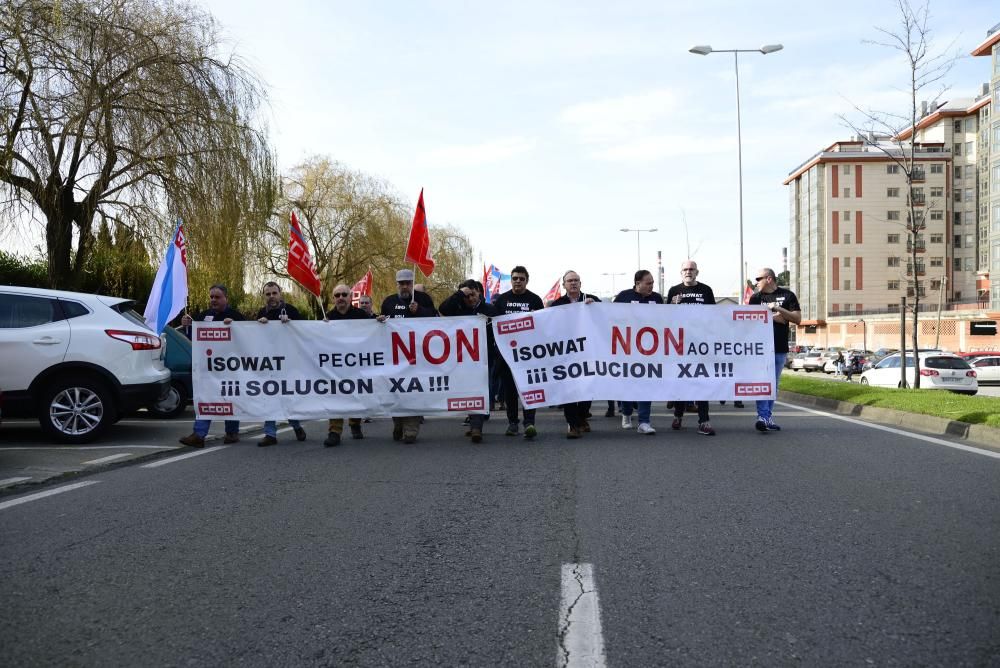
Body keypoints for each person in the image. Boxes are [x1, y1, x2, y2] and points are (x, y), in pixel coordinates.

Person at [178, 284, 245, 448]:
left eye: (217, 297)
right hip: (208, 368)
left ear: (226, 298)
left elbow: (246, 338)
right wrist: (187, 325)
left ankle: (232, 432)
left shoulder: (236, 315)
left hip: (230, 368)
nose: (213, 300)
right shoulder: (203, 316)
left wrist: (235, 326)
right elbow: (193, 339)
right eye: (211, 297)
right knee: (206, 398)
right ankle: (199, 435)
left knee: (230, 399)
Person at [378, 269, 436, 443]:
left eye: (408, 283)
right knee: (397, 391)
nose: (404, 286)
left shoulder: (423, 299)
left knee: (415, 390)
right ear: (397, 284)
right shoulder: (389, 301)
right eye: (401, 283)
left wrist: (419, 310)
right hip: (395, 357)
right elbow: (383, 327)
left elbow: (435, 319)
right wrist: (379, 320)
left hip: (418, 356)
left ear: (412, 283)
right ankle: (398, 422)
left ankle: (411, 429)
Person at [439, 279, 496, 443]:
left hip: (485, 358)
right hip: (463, 359)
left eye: (472, 294)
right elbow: (443, 309)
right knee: (469, 390)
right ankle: (474, 422)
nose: (470, 299)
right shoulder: (458, 309)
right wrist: (459, 294)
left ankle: (476, 427)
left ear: (478, 292)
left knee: (477, 389)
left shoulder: (490, 310)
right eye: (466, 296)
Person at [492, 265, 545, 439]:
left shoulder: (535, 300)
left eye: (521, 279)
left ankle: (529, 422)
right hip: (507, 355)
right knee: (510, 391)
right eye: (515, 278)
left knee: (530, 388)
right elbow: (494, 324)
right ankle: (512, 423)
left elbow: (543, 325)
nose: (518, 281)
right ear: (512, 280)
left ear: (527, 281)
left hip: (528, 355)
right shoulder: (502, 300)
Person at [666, 261, 717, 436]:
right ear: (681, 273)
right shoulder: (673, 290)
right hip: (679, 344)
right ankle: (678, 415)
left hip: (701, 344)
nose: (688, 272)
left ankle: (704, 421)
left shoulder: (706, 290)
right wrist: (672, 305)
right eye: (685, 269)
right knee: (681, 380)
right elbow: (666, 317)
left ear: (697, 272)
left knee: (702, 381)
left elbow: (715, 316)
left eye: (691, 269)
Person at [748, 267, 802, 432]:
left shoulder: (788, 295)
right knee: (761, 382)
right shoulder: (755, 298)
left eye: (758, 279)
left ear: (769, 279)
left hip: (779, 346)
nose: (756, 283)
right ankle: (763, 417)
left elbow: (797, 319)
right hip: (760, 348)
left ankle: (767, 416)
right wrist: (775, 318)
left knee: (774, 384)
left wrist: (778, 309)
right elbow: (750, 321)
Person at [255, 282, 307, 447]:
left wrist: (291, 323)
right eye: (268, 294)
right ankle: (270, 434)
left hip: (288, 363)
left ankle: (296, 425)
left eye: (274, 293)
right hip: (269, 362)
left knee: (286, 398)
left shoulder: (291, 310)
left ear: (280, 293)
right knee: (269, 398)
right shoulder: (262, 312)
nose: (271, 297)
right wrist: (259, 324)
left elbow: (303, 332)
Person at [550, 271, 601, 438]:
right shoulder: (558, 304)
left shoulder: (591, 299)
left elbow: (605, 318)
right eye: (569, 281)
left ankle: (581, 416)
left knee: (588, 388)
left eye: (576, 280)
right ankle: (573, 425)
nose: (573, 283)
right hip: (567, 353)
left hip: (589, 352)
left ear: (581, 283)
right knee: (569, 390)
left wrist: (596, 308)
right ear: (564, 285)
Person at [613, 269, 664, 434]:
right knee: (628, 383)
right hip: (627, 348)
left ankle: (644, 422)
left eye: (652, 283)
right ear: (637, 283)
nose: (651, 286)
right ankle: (626, 412)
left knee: (645, 384)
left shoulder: (657, 298)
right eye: (648, 283)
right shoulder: (624, 296)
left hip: (649, 349)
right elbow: (607, 315)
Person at [323, 283, 372, 446]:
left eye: (344, 294)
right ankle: (334, 431)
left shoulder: (361, 315)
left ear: (351, 297)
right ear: (333, 299)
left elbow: (373, 335)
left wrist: (379, 322)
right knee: (336, 396)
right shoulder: (328, 318)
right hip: (336, 366)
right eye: (337, 295)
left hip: (357, 364)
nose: (341, 298)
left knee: (356, 394)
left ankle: (355, 423)